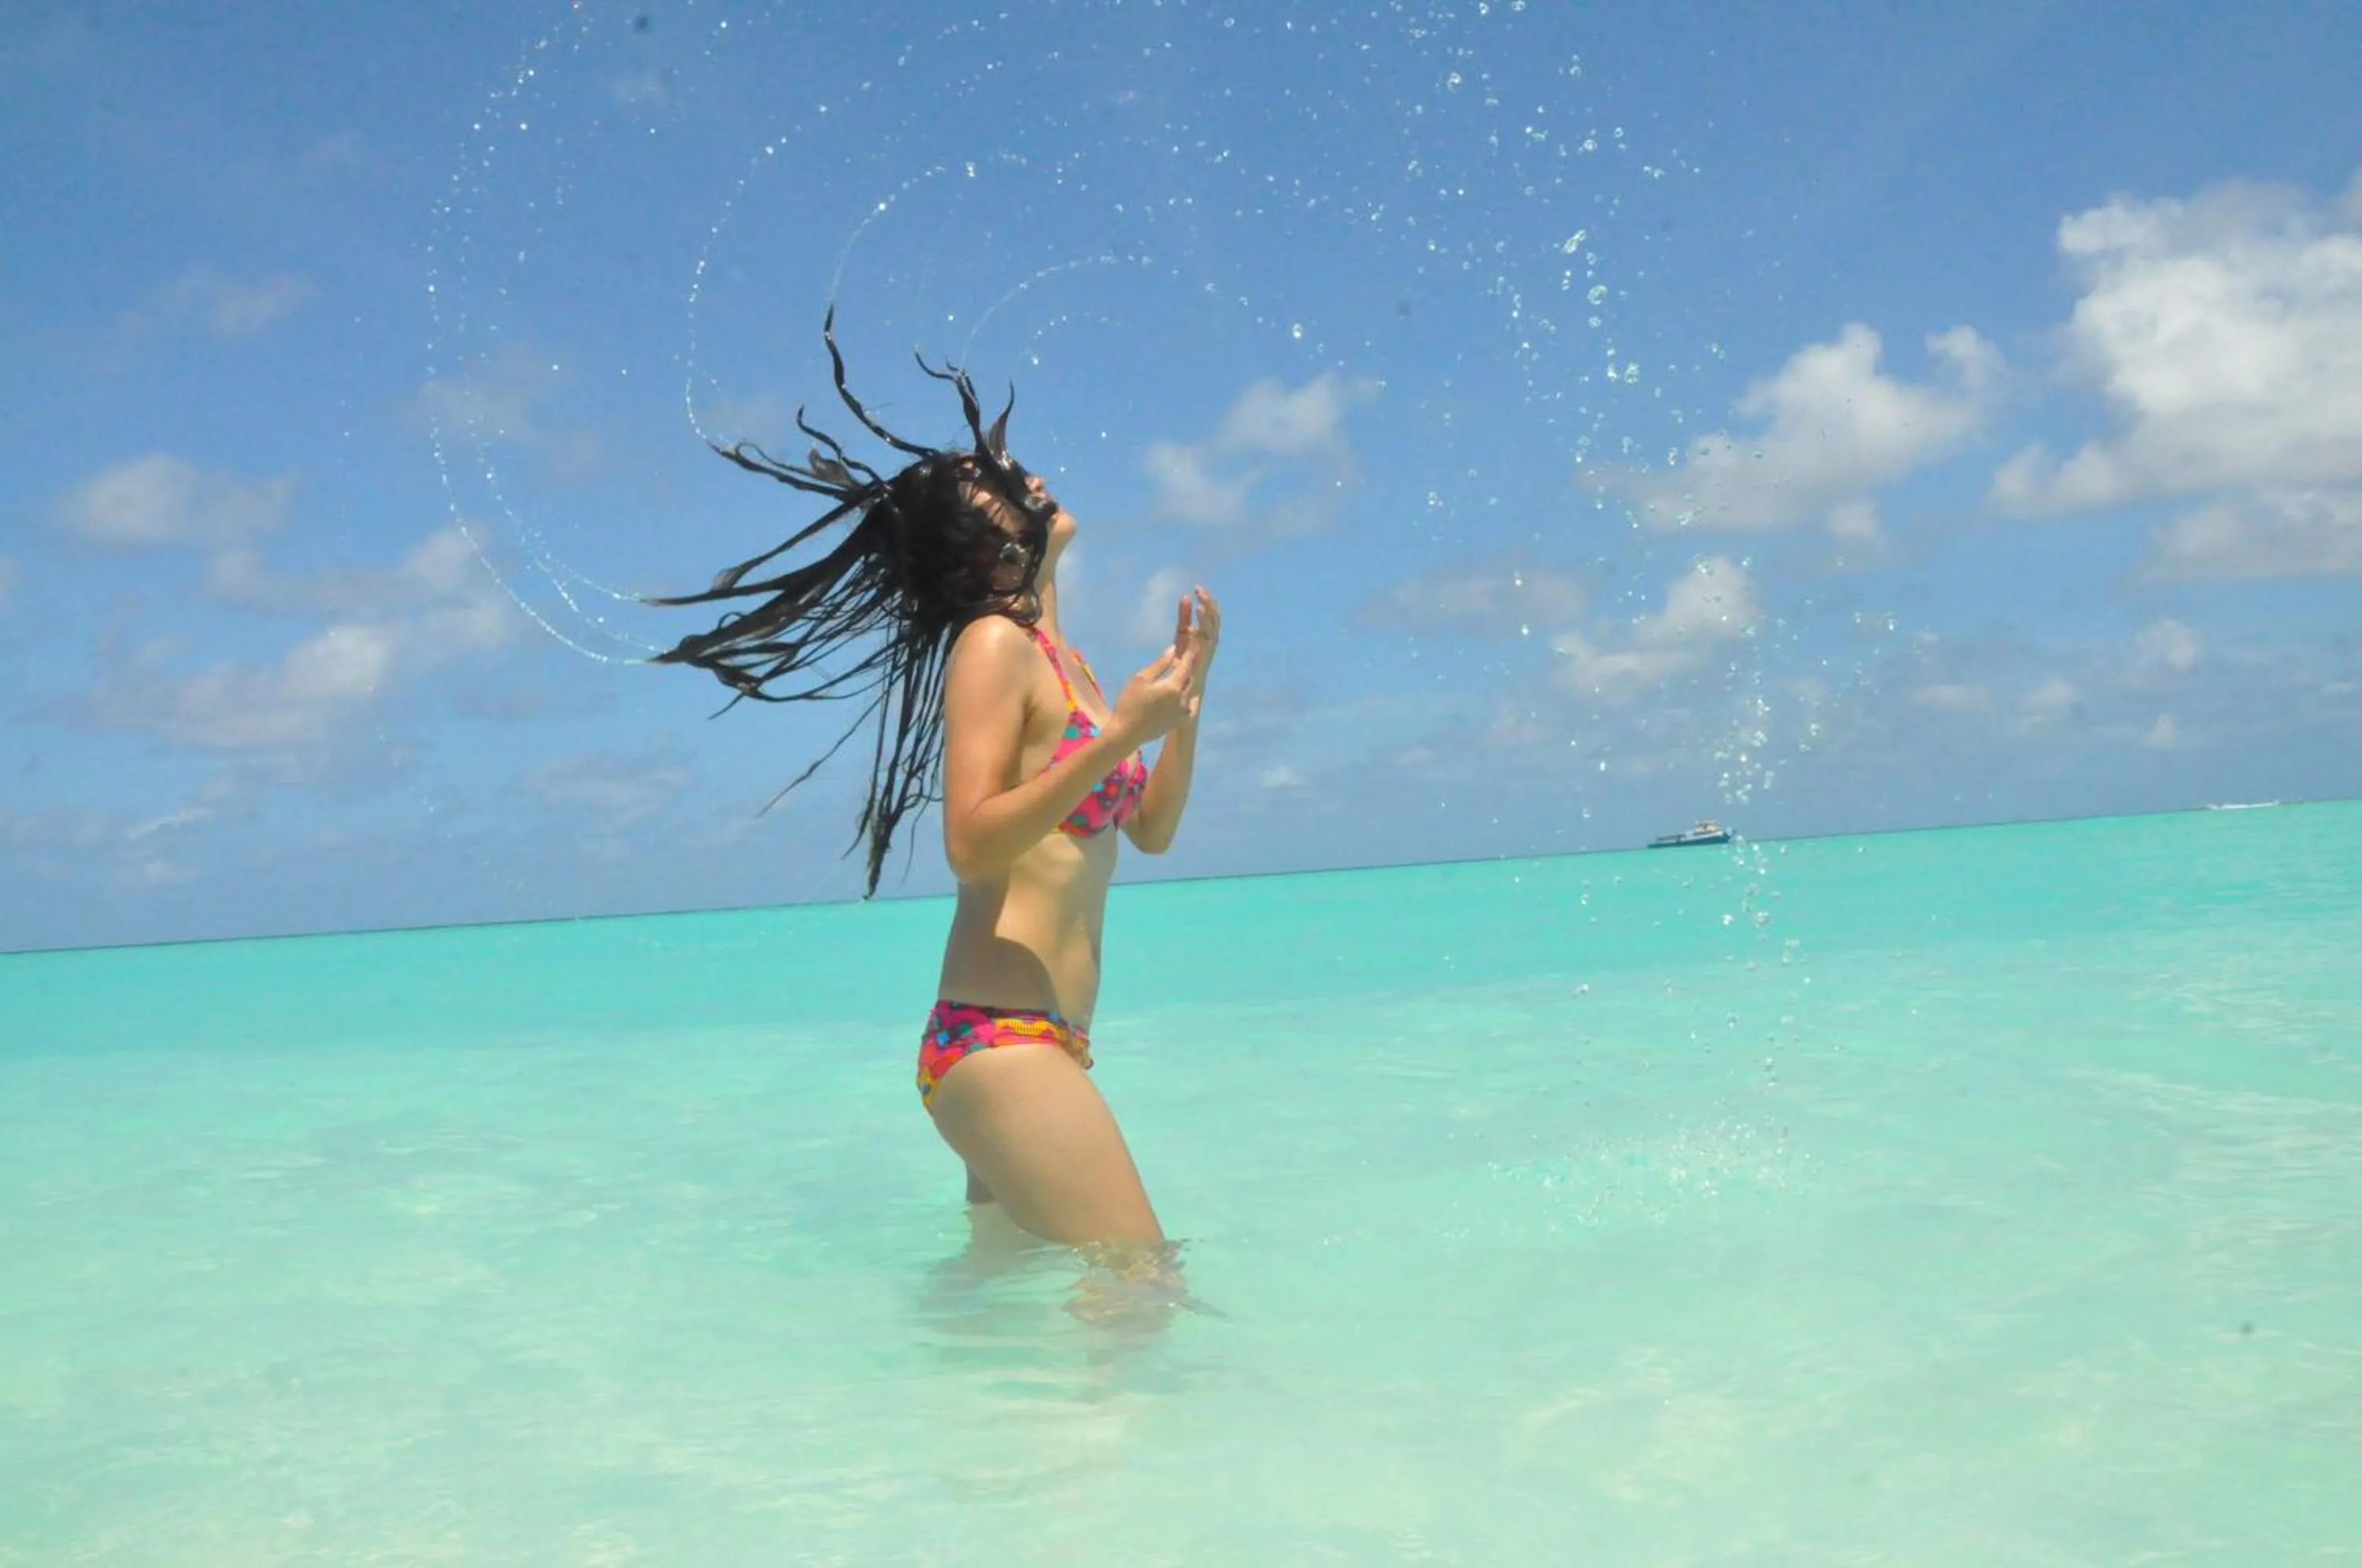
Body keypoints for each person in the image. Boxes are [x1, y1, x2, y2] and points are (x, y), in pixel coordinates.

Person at [647, 317, 1219, 1256]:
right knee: (1140, 1279)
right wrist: (1121, 735)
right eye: (994, 481)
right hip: (1000, 1040)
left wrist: (1184, 706)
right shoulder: (993, 645)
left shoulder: (1066, 661)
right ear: (979, 540)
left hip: (1045, 1040)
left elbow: (1150, 831)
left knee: (1001, 1292)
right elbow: (971, 842)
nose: (1025, 476)